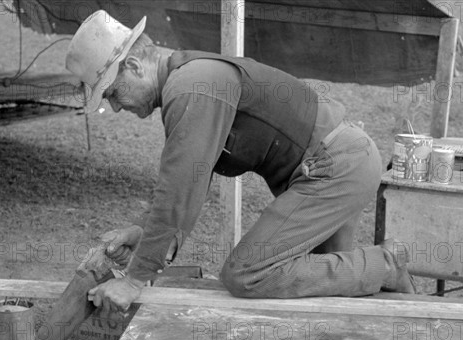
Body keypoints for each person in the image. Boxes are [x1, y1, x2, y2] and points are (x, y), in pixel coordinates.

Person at [65, 10, 414, 313]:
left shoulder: (190, 86)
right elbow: (192, 183)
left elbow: (178, 186)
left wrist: (135, 279)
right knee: (332, 297)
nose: (114, 105)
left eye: (112, 92)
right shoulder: (188, 79)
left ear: (134, 66)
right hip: (338, 162)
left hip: (336, 168)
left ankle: (387, 265)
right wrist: (146, 234)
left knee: (246, 272)